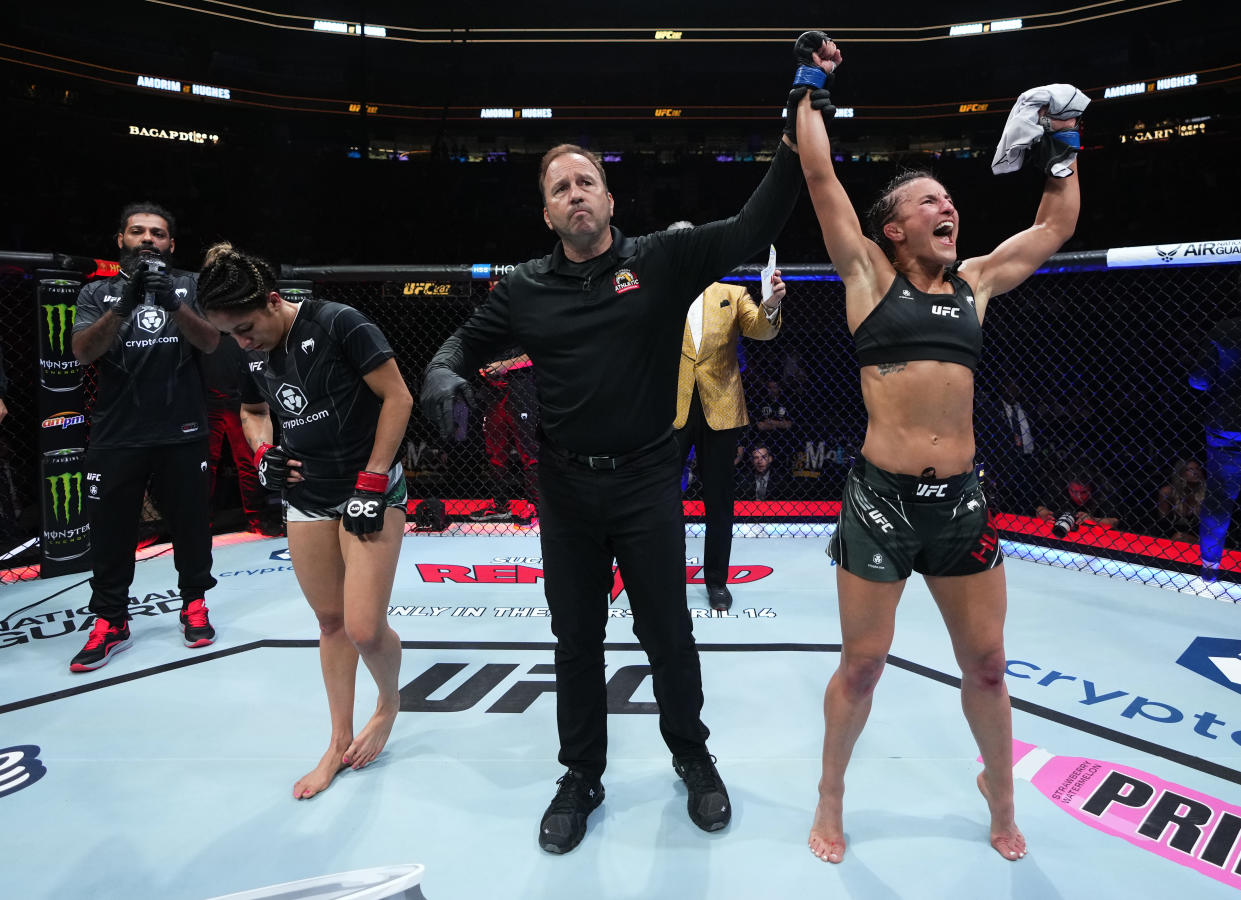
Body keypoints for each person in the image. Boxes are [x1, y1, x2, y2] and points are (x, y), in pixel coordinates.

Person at [419, 35, 837, 855]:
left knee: (667, 634)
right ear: (546, 212)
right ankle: (580, 775)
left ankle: (693, 757)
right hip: (566, 489)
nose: (575, 195)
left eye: (586, 182)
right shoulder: (524, 289)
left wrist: (798, 113)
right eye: (559, 187)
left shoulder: (664, 260)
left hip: (647, 479)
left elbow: (759, 219)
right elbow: (454, 348)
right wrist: (438, 375)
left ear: (609, 200)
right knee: (574, 640)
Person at [795, 46, 1083, 863]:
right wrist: (809, 85)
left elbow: (1057, 224)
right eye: (929, 201)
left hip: (960, 505)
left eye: (949, 199)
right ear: (894, 228)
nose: (945, 207)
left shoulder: (977, 282)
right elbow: (820, 181)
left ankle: (1000, 789)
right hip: (878, 502)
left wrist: (1061, 137)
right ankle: (831, 791)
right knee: (862, 665)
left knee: (988, 666)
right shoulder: (865, 275)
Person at [196, 243, 413, 799]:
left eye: (246, 328)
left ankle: (388, 705)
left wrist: (374, 476)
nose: (241, 342)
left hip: (369, 486)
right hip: (307, 493)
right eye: (231, 334)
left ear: (273, 301)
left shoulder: (339, 322)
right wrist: (264, 449)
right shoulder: (247, 349)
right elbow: (251, 410)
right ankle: (338, 739)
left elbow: (398, 397)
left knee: (365, 628)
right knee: (331, 622)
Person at [68, 202, 221, 672]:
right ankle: (110, 620)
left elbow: (212, 342)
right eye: (138, 232)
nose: (148, 239)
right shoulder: (97, 293)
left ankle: (194, 603)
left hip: (183, 429)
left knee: (192, 525)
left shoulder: (193, 286)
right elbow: (82, 352)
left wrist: (172, 304)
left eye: (157, 233)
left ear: (171, 245)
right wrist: (125, 304)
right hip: (118, 433)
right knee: (111, 533)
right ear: (121, 240)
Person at [670, 218, 787, 611]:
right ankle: (662, 575)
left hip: (720, 409)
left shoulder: (732, 294)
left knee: (719, 501)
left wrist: (770, 304)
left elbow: (761, 330)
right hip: (669, 409)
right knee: (660, 498)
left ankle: (716, 581)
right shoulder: (655, 293)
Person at [201, 327, 282, 535]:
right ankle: (200, 523)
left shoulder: (240, 331)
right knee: (204, 464)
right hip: (208, 402)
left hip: (239, 400)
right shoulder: (198, 326)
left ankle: (257, 518)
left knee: (249, 460)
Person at [1190, 316, 1241, 584]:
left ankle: (1210, 567)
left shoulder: (1227, 327)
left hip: (1228, 420)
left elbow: (1199, 379)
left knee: (1220, 494)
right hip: (1226, 420)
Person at [469, 347, 539, 523]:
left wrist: (506, 365)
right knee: (495, 451)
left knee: (529, 449)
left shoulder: (528, 322)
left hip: (522, 385)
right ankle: (499, 504)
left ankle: (535, 505)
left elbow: (538, 352)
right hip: (495, 389)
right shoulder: (493, 326)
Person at [1156, 458, 1204, 544]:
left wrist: (1197, 539)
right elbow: (1163, 523)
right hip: (1173, 535)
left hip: (1200, 538)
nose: (1196, 472)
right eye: (1190, 470)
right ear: (1181, 474)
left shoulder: (1206, 494)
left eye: (1198, 468)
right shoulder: (1168, 492)